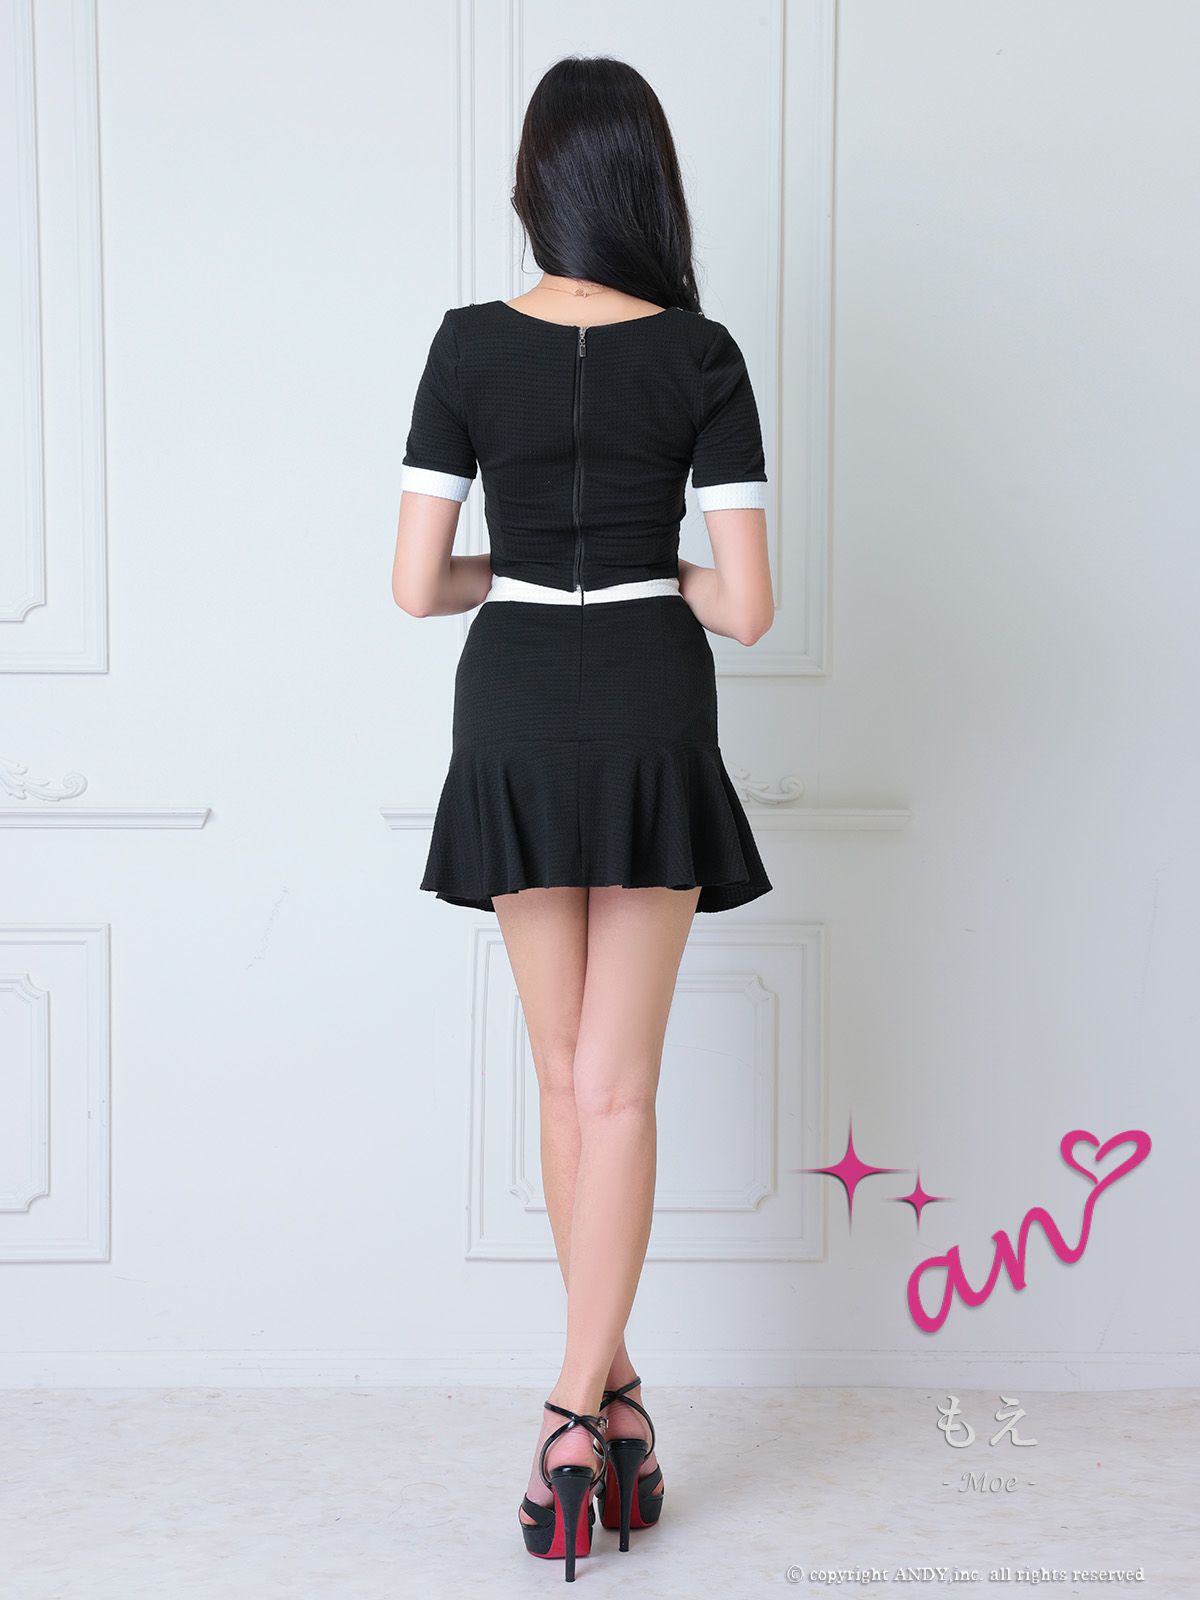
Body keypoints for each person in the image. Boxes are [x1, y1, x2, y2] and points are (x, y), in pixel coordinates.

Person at [392, 53, 775, 1580]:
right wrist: (643, 569)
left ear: (533, 187)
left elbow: (415, 585)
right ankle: (588, 1404)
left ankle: (593, 1402)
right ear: (646, 187)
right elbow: (746, 606)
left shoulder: (464, 344)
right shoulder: (701, 353)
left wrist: (523, 567)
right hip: (647, 699)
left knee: (564, 1086)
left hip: (510, 710)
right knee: (618, 1092)